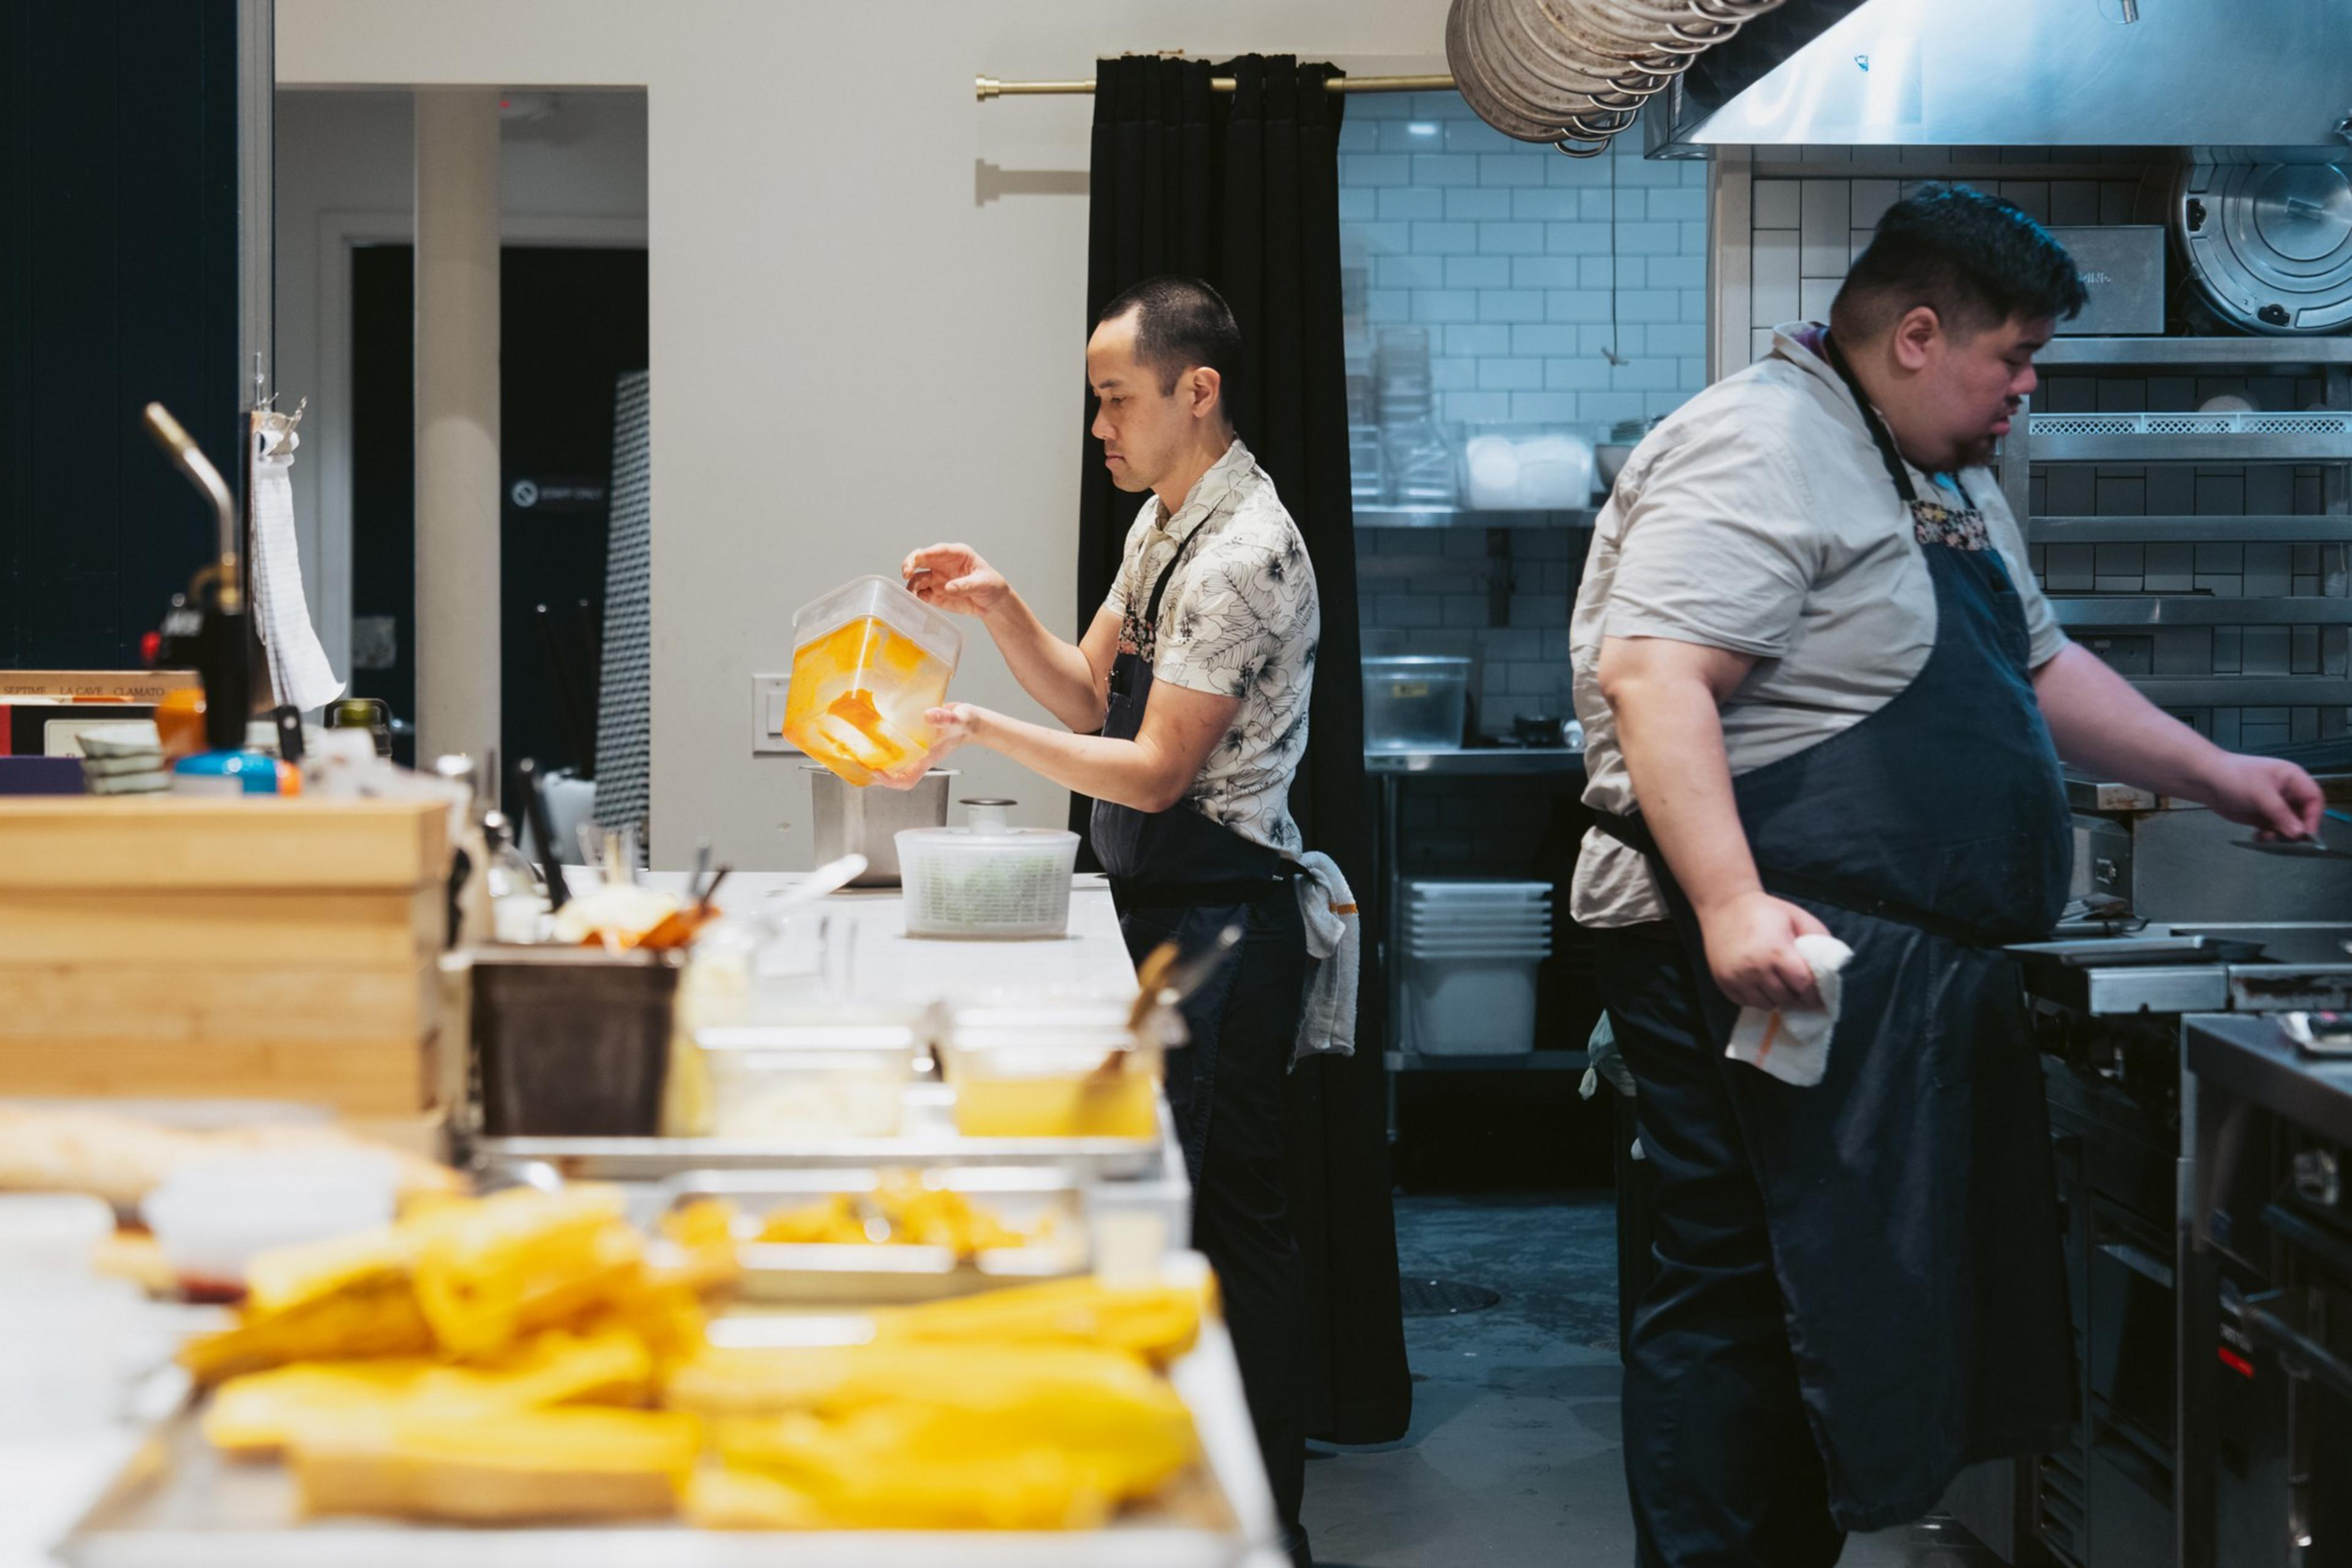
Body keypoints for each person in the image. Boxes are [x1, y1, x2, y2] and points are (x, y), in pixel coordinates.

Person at [1570, 184, 2324, 1567]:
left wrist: (2210, 771)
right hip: (1750, 948)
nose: (2024, 391)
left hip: (1876, 966)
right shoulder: (1760, 445)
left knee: (1829, 1304)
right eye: (2011, 359)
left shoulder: (1931, 470)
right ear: (1917, 333)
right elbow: (1653, 675)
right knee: (1740, 1296)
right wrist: (1733, 902)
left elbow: (2031, 667)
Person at [890, 275, 1321, 1561]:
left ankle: (1250, 1517)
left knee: (1220, 1227)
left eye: (1115, 398)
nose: (1101, 427)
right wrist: (997, 606)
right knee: (1184, 1211)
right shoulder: (1163, 522)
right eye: (1095, 402)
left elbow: (1146, 769)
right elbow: (1087, 696)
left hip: (1227, 920)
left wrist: (968, 724)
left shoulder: (1246, 550)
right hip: (1163, 902)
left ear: (1198, 391)